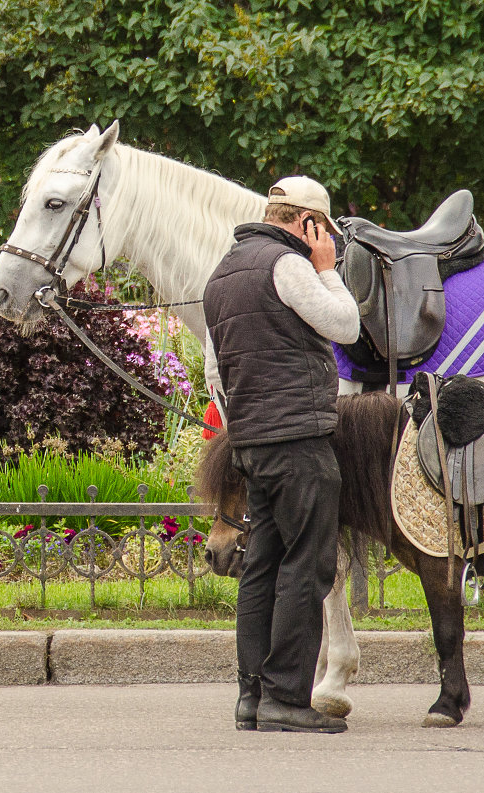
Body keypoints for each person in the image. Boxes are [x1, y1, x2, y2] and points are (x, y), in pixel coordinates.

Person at [203, 176, 360, 733]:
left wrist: (247, 428)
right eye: (323, 231)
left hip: (250, 444)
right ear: (307, 223)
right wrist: (327, 269)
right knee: (307, 565)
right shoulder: (289, 265)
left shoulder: (222, 273)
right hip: (299, 442)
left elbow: (213, 372)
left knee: (261, 568)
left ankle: (251, 698)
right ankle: (287, 699)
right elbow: (344, 324)